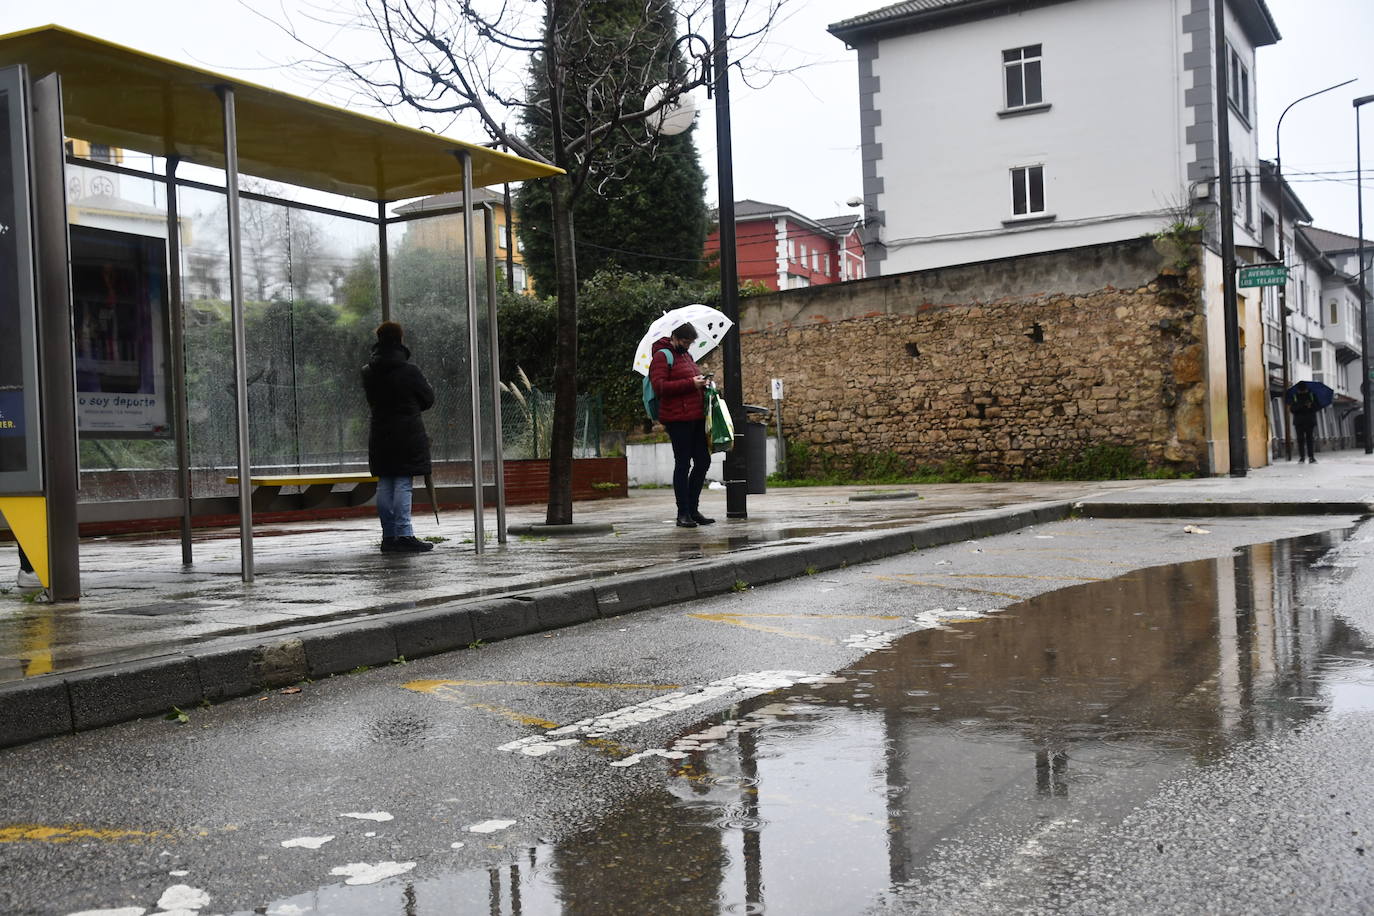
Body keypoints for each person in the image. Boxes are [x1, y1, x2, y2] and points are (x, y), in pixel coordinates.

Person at [361, 321, 436, 553]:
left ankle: (389, 535)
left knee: (385, 483)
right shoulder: (409, 371)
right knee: (403, 483)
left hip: (380, 432)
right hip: (407, 433)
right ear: (400, 339)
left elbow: (372, 401)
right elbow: (428, 398)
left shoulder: (367, 371)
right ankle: (404, 534)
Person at [649, 322, 716, 528]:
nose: (688, 345)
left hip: (695, 416)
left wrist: (704, 383)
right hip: (677, 419)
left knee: (703, 461)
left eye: (691, 342)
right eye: (685, 341)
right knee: (683, 463)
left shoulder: (687, 356)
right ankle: (683, 513)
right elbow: (659, 386)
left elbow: (691, 380)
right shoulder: (662, 356)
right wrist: (690, 384)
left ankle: (693, 509)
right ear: (675, 337)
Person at [1291, 382, 1319, 464]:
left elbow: (1317, 406)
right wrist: (1303, 405)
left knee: (1309, 439)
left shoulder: (1312, 396)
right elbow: (1292, 409)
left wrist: (1311, 406)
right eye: (1301, 390)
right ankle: (1302, 457)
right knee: (1300, 440)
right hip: (1299, 422)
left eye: (1304, 390)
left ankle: (1311, 457)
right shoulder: (1295, 396)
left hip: (1309, 421)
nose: (1303, 392)